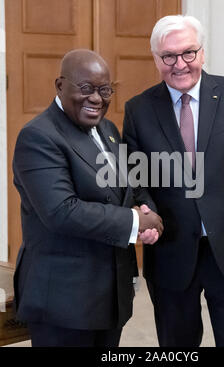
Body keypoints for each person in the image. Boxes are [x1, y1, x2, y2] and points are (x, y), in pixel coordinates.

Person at [122, 15, 224, 347]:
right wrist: (146, 211)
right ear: (156, 58)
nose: (179, 64)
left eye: (188, 53)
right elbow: (136, 180)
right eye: (169, 56)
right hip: (170, 253)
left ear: (202, 53)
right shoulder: (138, 109)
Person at [12, 49, 163, 347]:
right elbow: (61, 211)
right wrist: (134, 220)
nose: (96, 98)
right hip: (63, 302)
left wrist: (145, 210)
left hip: (108, 298)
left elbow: (124, 186)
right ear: (59, 86)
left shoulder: (106, 129)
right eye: (86, 89)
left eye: (104, 90)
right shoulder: (38, 136)